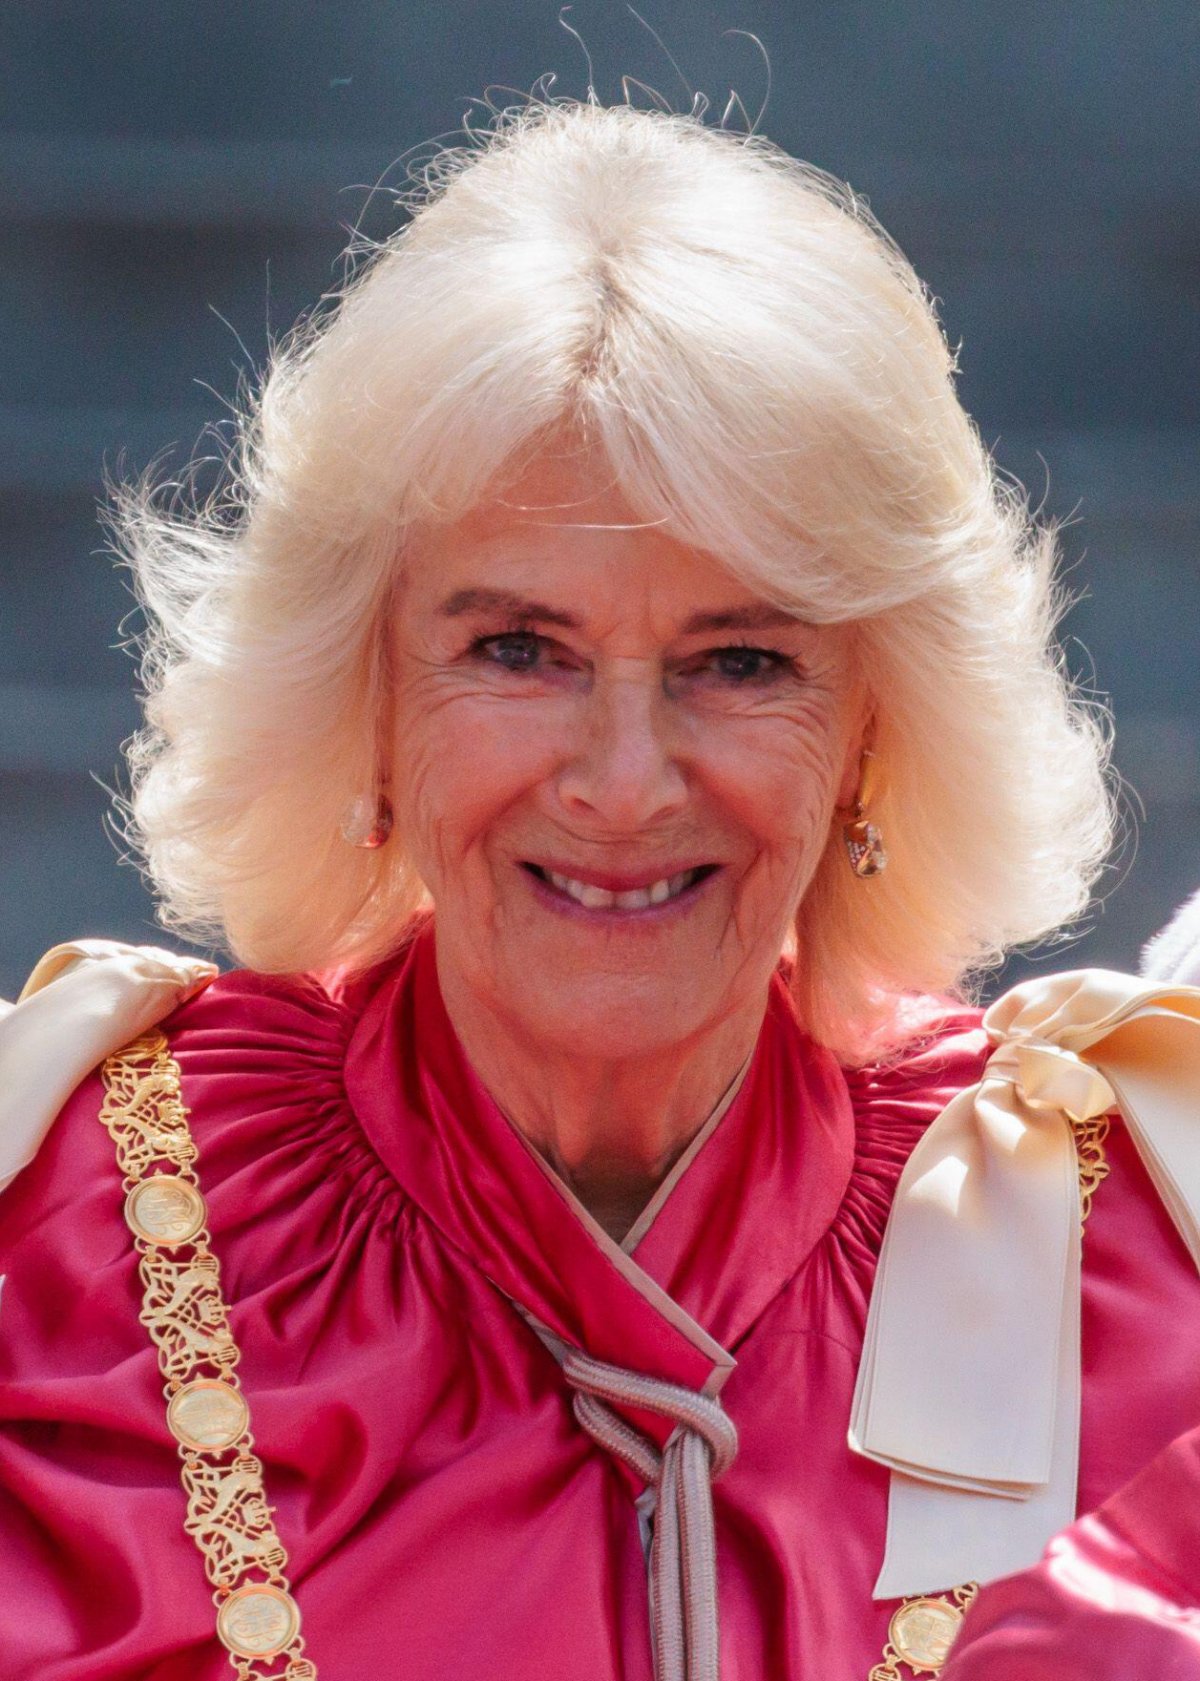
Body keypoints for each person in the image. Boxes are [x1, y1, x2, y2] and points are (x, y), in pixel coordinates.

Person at [2, 95, 1198, 1681]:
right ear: (362, 697)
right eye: (516, 649)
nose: (623, 781)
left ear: (874, 732)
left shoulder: (1139, 1260)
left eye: (741, 659)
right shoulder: (58, 1239)